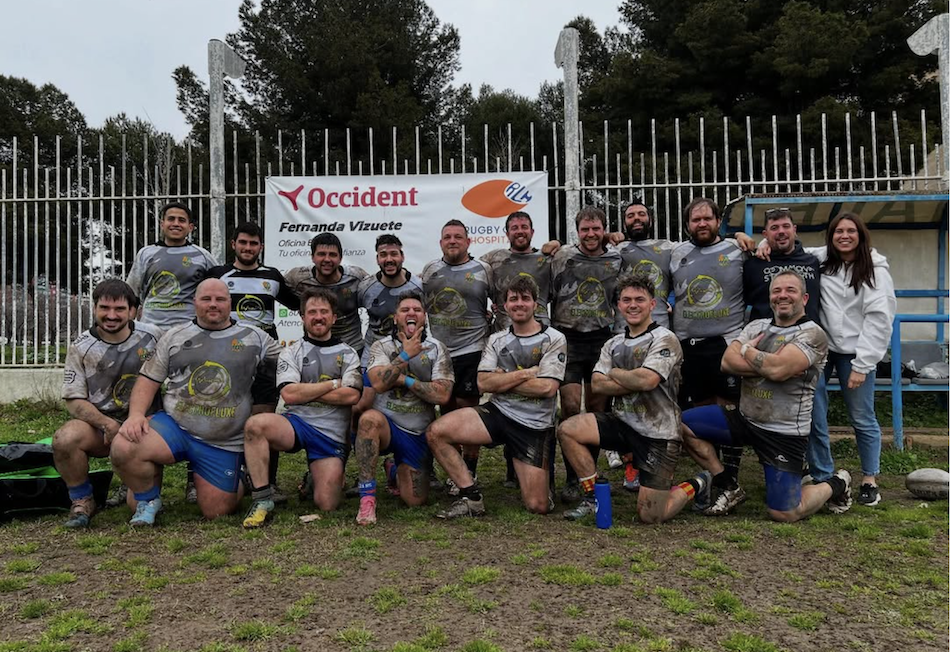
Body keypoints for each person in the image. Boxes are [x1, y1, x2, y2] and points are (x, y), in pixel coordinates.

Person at [680, 270, 853, 520]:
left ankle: (837, 483)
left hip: (783, 432)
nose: (783, 295)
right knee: (682, 424)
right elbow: (727, 363)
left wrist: (747, 351)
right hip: (745, 418)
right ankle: (728, 486)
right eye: (776, 290)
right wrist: (773, 366)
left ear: (804, 298)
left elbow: (777, 369)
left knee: (784, 512)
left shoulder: (813, 334)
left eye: (790, 290)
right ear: (770, 297)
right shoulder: (756, 326)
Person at [110, 279, 280, 526]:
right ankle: (148, 499)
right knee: (123, 445)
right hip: (175, 427)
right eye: (206, 299)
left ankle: (239, 476)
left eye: (220, 299)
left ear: (230, 303)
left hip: (223, 441)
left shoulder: (256, 338)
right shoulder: (174, 336)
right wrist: (136, 415)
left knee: (217, 511)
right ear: (195, 302)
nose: (213, 304)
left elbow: (289, 362)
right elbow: (148, 380)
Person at [559, 275, 705, 524]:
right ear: (619, 305)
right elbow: (597, 384)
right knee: (567, 429)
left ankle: (699, 482)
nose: (633, 305)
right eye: (626, 300)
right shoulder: (613, 343)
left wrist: (615, 373)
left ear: (652, 304)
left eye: (640, 299)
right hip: (622, 424)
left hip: (658, 433)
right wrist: (632, 378)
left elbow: (647, 381)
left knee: (651, 515)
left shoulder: (665, 338)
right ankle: (593, 497)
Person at [427, 276, 566, 519]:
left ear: (536, 304)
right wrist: (527, 373)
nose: (519, 303)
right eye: (513, 299)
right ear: (505, 306)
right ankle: (471, 497)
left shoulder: (554, 338)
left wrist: (502, 380)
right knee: (436, 432)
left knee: (538, 506)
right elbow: (483, 383)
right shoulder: (496, 339)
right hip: (499, 413)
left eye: (525, 298)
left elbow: (547, 388)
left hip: (534, 425)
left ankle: (542, 476)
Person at [241, 288, 363, 527]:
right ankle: (262, 499)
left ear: (334, 317)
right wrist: (333, 384)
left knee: (327, 503)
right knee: (256, 425)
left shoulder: (348, 353)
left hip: (330, 434)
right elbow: (289, 394)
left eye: (324, 312)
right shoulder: (291, 351)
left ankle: (313, 479)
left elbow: (351, 396)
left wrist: (305, 392)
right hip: (297, 424)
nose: (318, 317)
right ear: (303, 317)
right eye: (312, 312)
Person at [126, 200, 219, 505]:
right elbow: (132, 294)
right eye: (171, 219)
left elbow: (214, 293)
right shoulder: (146, 254)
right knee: (146, 402)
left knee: (196, 400)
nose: (176, 224)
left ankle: (195, 476)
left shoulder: (203, 256)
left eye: (182, 220)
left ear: (191, 226)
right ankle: (138, 473)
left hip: (190, 337)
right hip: (152, 335)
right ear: (162, 223)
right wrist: (131, 328)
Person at [53, 279, 162, 528]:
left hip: (145, 426)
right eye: (104, 308)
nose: (111, 315)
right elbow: (74, 400)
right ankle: (82, 499)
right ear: (94, 308)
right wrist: (107, 424)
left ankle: (138, 490)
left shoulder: (153, 336)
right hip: (101, 427)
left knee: (137, 504)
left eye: (119, 309)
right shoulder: (80, 346)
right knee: (65, 438)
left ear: (133, 311)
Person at [207, 222, 301, 500]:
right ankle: (227, 477)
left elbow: (299, 304)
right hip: (228, 358)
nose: (248, 248)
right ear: (233, 244)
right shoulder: (218, 275)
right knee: (227, 418)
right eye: (243, 243)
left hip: (265, 360)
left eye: (253, 243)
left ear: (261, 246)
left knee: (264, 418)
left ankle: (267, 483)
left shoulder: (272, 276)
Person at [810, 213, 896, 506]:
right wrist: (757, 243)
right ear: (831, 236)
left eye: (850, 231)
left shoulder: (875, 270)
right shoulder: (822, 259)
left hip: (856, 352)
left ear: (860, 235)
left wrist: (863, 364)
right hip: (823, 349)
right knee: (812, 412)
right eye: (838, 231)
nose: (844, 236)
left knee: (861, 416)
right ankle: (822, 474)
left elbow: (880, 319)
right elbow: (792, 249)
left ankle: (869, 479)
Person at [744, 208, 829, 486]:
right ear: (765, 234)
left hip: (805, 350)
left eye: (785, 226)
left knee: (815, 417)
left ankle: (824, 475)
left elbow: (851, 245)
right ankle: (783, 471)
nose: (781, 232)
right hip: (764, 350)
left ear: (795, 230)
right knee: (766, 414)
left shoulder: (813, 260)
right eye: (774, 228)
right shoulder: (754, 263)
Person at [354, 292, 454, 525]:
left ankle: (393, 470)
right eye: (405, 310)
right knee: (368, 420)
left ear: (424, 316)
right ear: (396, 317)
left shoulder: (437, 348)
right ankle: (367, 499)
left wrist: (404, 380)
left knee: (415, 500)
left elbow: (442, 395)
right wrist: (406, 354)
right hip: (386, 425)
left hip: (417, 431)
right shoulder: (381, 346)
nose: (411, 313)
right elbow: (379, 384)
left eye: (417, 310)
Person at [549, 206, 622, 501]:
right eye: (585, 229)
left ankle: (588, 472)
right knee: (569, 407)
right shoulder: (562, 257)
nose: (590, 234)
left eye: (596, 229)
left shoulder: (617, 258)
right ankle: (571, 476)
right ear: (577, 231)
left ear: (604, 229)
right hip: (568, 339)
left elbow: (620, 297)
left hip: (600, 339)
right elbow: (548, 291)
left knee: (596, 411)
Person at [479, 211, 554, 487]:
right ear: (507, 232)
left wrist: (556, 244)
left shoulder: (547, 259)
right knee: (508, 400)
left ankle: (545, 469)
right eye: (514, 227)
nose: (519, 231)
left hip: (541, 341)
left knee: (541, 403)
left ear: (532, 231)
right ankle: (513, 467)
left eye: (524, 226)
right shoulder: (493, 260)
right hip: (505, 340)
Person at [421, 220, 493, 486]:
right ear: (441, 242)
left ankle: (470, 469)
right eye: (448, 237)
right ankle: (454, 470)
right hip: (440, 353)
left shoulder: (483, 270)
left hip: (472, 349)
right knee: (447, 410)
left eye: (458, 237)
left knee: (468, 412)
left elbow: (500, 303)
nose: (453, 241)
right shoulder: (430, 270)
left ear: (468, 242)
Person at [285, 233, 368, 355]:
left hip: (352, 349)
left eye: (332, 255)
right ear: (312, 257)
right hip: (313, 349)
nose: (327, 259)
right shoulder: (297, 278)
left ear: (340, 258)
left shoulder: (357, 277)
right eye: (321, 254)